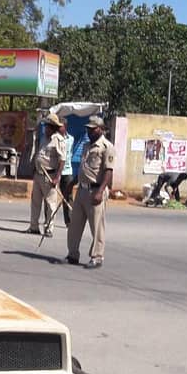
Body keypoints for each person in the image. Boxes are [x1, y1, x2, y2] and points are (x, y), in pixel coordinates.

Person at [65, 115, 114, 269]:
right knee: (74, 224)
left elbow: (108, 171)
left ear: (101, 129)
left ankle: (97, 257)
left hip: (95, 190)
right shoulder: (87, 145)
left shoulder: (106, 147)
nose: (89, 131)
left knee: (97, 227)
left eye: (93, 129)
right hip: (81, 189)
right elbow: (83, 168)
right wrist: (72, 183)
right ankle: (72, 254)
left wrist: (100, 191)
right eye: (88, 129)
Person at [26, 113, 66, 237]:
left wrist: (57, 177)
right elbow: (39, 154)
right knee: (35, 202)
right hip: (38, 174)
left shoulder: (58, 140)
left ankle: (49, 228)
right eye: (45, 126)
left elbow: (62, 160)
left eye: (48, 126)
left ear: (53, 127)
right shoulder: (43, 138)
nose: (45, 128)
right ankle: (34, 226)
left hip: (50, 176)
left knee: (50, 204)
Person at [58, 121, 75, 225]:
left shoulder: (71, 139)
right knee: (51, 196)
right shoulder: (54, 138)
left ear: (65, 127)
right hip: (56, 172)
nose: (59, 128)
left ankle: (70, 221)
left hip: (67, 171)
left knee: (68, 196)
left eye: (61, 126)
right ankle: (48, 221)